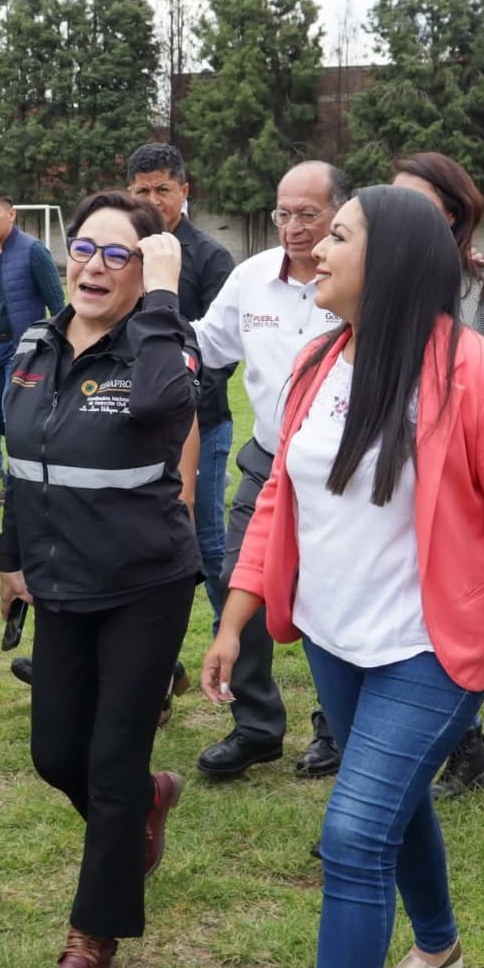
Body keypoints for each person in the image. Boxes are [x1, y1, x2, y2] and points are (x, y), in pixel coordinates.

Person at [200, 185, 484, 968]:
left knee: (352, 834)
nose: (316, 249)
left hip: (433, 651)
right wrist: (236, 619)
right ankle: (441, 940)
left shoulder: (479, 375)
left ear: (393, 264)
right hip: (337, 641)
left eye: (337, 235)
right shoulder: (315, 362)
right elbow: (278, 500)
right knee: (398, 801)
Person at [0, 191, 201, 968]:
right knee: (56, 754)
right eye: (85, 248)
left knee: (111, 764)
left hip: (144, 586)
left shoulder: (159, 345)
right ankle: (147, 803)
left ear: (144, 269)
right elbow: (21, 461)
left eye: (119, 254)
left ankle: (93, 935)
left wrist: (160, 301)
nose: (93, 266)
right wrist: (12, 560)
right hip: (60, 586)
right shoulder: (38, 342)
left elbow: (162, 405)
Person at [389, 150, 484, 801]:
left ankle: (454, 753)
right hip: (391, 492)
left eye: (415, 200)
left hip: (463, 497)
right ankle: (457, 751)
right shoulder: (378, 284)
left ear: (453, 213)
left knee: (446, 626)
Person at [193, 160, 347, 781]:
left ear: (342, 211)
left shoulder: (367, 281)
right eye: (284, 214)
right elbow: (205, 346)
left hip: (344, 475)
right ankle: (256, 725)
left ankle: (337, 729)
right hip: (267, 460)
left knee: (333, 598)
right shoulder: (252, 278)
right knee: (239, 584)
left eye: (309, 214)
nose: (293, 227)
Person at [126, 142, 236, 615]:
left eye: (163, 189)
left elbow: (222, 356)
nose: (153, 200)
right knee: (135, 538)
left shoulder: (212, 259)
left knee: (207, 539)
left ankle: (231, 644)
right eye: (142, 190)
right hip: (131, 421)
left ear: (184, 190)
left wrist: (177, 400)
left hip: (203, 424)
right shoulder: (124, 254)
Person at [0, 188, 65, 500]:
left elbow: (57, 303)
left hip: (23, 349)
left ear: (11, 214)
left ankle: (13, 485)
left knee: (14, 415)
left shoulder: (33, 251)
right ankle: (37, 449)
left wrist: (57, 347)